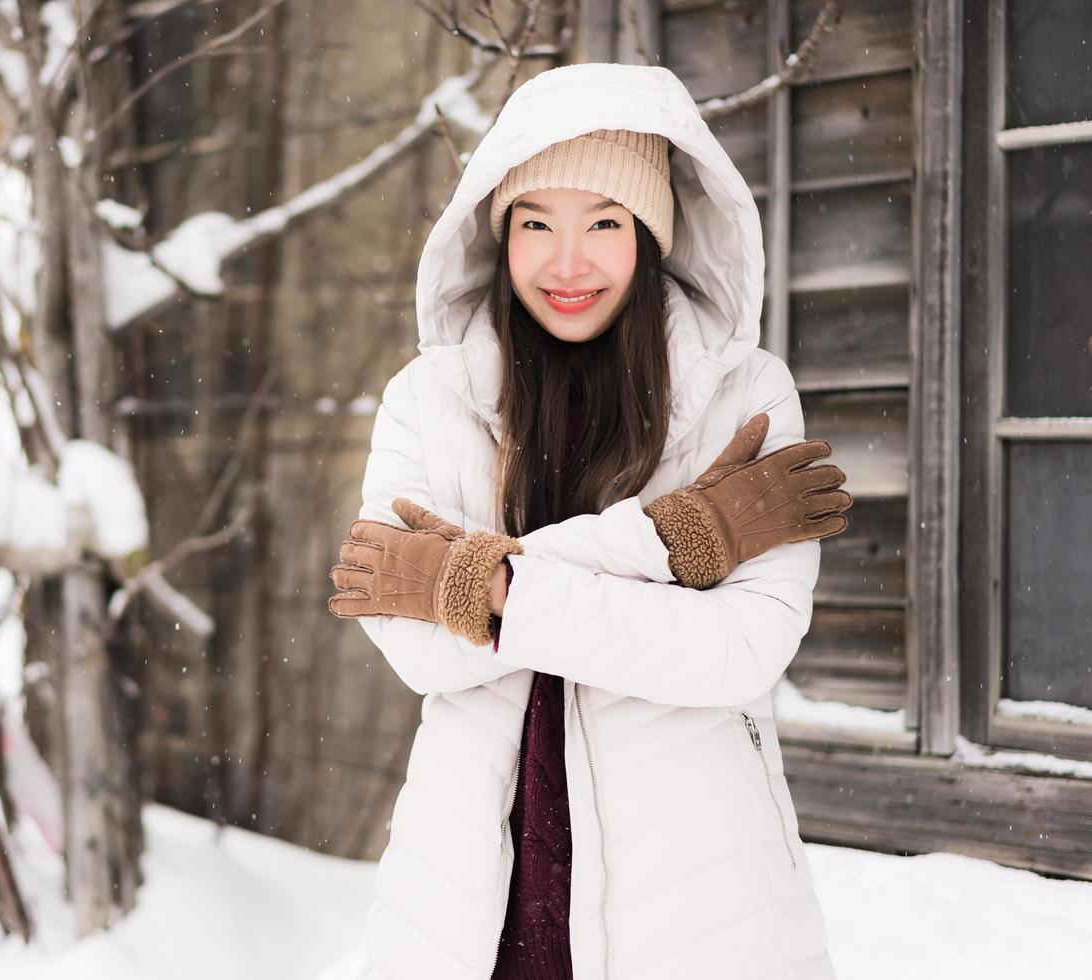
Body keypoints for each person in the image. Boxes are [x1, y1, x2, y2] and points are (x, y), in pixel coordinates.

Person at [327, 62, 852, 980]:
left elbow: (738, 649)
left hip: (694, 889)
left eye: (603, 224)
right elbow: (419, 650)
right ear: (499, 233)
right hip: (473, 890)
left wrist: (484, 587)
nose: (567, 263)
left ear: (648, 234)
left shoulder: (747, 395)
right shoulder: (428, 400)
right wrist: (676, 542)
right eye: (536, 224)